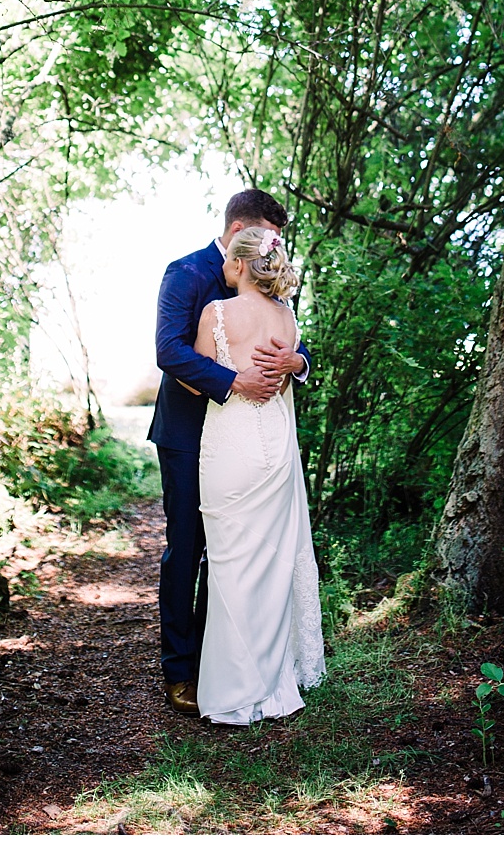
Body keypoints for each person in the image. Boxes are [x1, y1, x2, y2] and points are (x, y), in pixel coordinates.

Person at [149, 190, 311, 716]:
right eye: (266, 238)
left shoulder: (267, 288)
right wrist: (233, 379)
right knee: (188, 547)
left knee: (236, 551)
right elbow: (168, 349)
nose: (272, 252)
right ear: (240, 227)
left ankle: (225, 663)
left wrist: (295, 361)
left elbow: (292, 341)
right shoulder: (186, 272)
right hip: (187, 434)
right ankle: (180, 671)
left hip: (248, 437)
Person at [190, 226, 325, 724]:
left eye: (228, 257)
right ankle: (273, 687)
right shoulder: (287, 318)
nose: (222, 264)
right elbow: (292, 368)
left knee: (230, 562)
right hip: (278, 448)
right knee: (272, 562)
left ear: (241, 264)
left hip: (232, 444)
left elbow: (197, 379)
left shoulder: (216, 313)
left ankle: (234, 691)